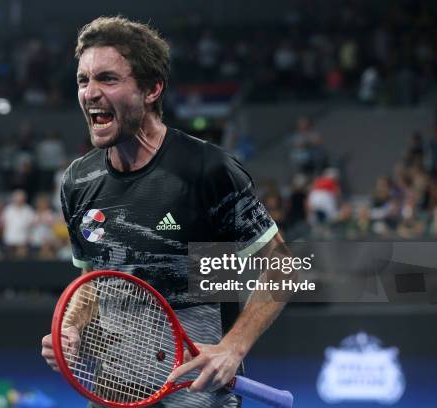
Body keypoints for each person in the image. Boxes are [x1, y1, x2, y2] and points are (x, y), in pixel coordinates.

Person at [41, 16, 289, 408]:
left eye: (107, 79)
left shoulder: (206, 171)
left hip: (195, 396)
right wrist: (69, 330)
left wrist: (233, 348)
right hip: (113, 394)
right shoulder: (78, 181)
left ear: (151, 89)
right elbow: (94, 280)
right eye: (83, 80)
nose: (90, 93)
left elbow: (284, 264)